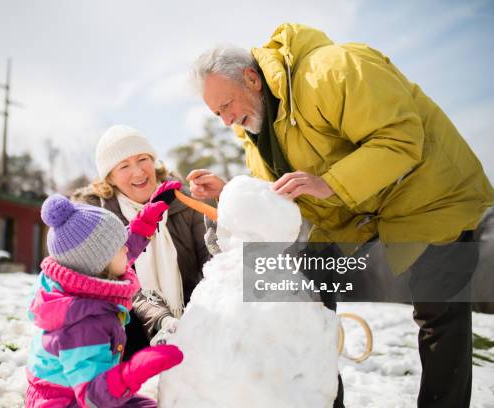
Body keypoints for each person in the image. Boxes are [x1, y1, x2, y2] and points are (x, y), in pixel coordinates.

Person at [189, 23, 494, 408]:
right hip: (349, 214)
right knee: (303, 295)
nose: (226, 121)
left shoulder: (331, 69)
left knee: (439, 313)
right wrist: (230, 191)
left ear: (252, 78)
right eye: (217, 113)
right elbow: (284, 194)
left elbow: (399, 138)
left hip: (430, 193)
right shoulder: (254, 132)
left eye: (226, 106)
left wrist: (329, 183)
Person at [25, 189, 184, 407]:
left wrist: (146, 218)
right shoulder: (83, 323)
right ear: (100, 265)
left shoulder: (84, 278)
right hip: (66, 402)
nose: (127, 249)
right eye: (120, 247)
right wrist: (134, 370)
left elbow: (122, 250)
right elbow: (93, 397)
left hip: (85, 389)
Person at [71, 125, 210, 355]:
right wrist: (160, 318)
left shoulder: (184, 200)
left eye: (142, 159)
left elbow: (210, 261)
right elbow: (114, 280)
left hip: (191, 318)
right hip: (127, 331)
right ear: (111, 179)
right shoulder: (96, 218)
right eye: (124, 166)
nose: (138, 172)